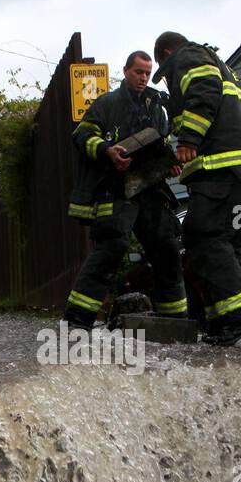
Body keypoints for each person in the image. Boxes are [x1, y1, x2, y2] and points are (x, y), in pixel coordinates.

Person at [152, 31, 241, 346]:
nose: (167, 81)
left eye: (165, 73)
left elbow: (203, 90)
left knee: (203, 237)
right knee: (229, 245)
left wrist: (188, 138)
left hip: (221, 170)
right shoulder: (222, 66)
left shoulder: (187, 56)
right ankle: (225, 321)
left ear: (166, 53)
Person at [64, 51, 187, 329]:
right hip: (115, 188)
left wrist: (168, 165)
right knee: (111, 248)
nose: (144, 77)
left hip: (151, 189)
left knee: (166, 248)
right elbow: (82, 135)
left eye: (147, 72)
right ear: (126, 71)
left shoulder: (156, 107)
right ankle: (77, 320)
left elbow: (160, 143)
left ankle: (175, 319)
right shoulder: (107, 104)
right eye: (138, 72)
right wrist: (108, 150)